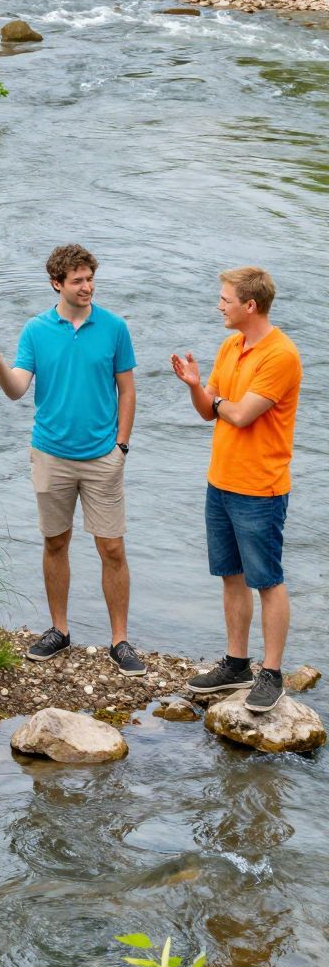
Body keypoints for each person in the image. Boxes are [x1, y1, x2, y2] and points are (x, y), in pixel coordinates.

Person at [0, 243, 144, 675]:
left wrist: (121, 447)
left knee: (113, 548)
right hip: (50, 454)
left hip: (103, 455)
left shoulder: (114, 328)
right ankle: (59, 631)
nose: (88, 287)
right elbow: (16, 390)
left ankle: (120, 640)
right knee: (55, 542)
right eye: (78, 280)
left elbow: (128, 390)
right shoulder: (36, 331)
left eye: (90, 279)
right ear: (56, 284)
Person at [172, 267, 302, 713]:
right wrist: (194, 386)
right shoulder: (231, 345)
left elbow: (243, 414)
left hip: (260, 488)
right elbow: (211, 411)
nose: (219, 305)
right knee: (231, 576)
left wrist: (219, 402)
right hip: (221, 481)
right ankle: (236, 663)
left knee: (267, 580)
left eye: (225, 299)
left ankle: (272, 673)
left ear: (250, 306)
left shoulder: (281, 356)